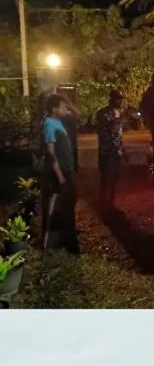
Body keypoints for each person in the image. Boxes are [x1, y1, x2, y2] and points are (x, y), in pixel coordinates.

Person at [41, 93, 79, 253]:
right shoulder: (50, 125)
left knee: (68, 204)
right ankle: (67, 242)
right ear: (54, 109)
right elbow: (50, 153)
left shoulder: (57, 121)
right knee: (64, 206)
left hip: (66, 170)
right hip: (60, 173)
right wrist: (61, 177)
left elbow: (77, 113)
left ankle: (66, 238)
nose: (66, 109)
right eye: (63, 107)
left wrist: (66, 99)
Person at [94, 89, 127, 210]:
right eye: (118, 99)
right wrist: (121, 119)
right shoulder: (103, 113)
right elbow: (108, 128)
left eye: (121, 99)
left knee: (115, 177)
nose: (120, 102)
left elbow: (119, 134)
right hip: (106, 150)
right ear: (111, 99)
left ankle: (111, 201)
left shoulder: (119, 112)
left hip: (116, 150)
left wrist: (123, 150)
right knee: (105, 176)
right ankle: (103, 201)